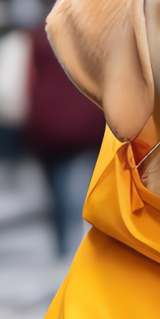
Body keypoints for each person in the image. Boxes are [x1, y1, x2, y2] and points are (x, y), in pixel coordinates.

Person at [25, 23, 106, 257]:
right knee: (72, 183)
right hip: (79, 122)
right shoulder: (89, 38)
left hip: (46, 120)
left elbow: (29, 78)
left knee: (56, 184)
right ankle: (77, 243)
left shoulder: (38, 37)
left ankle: (62, 241)